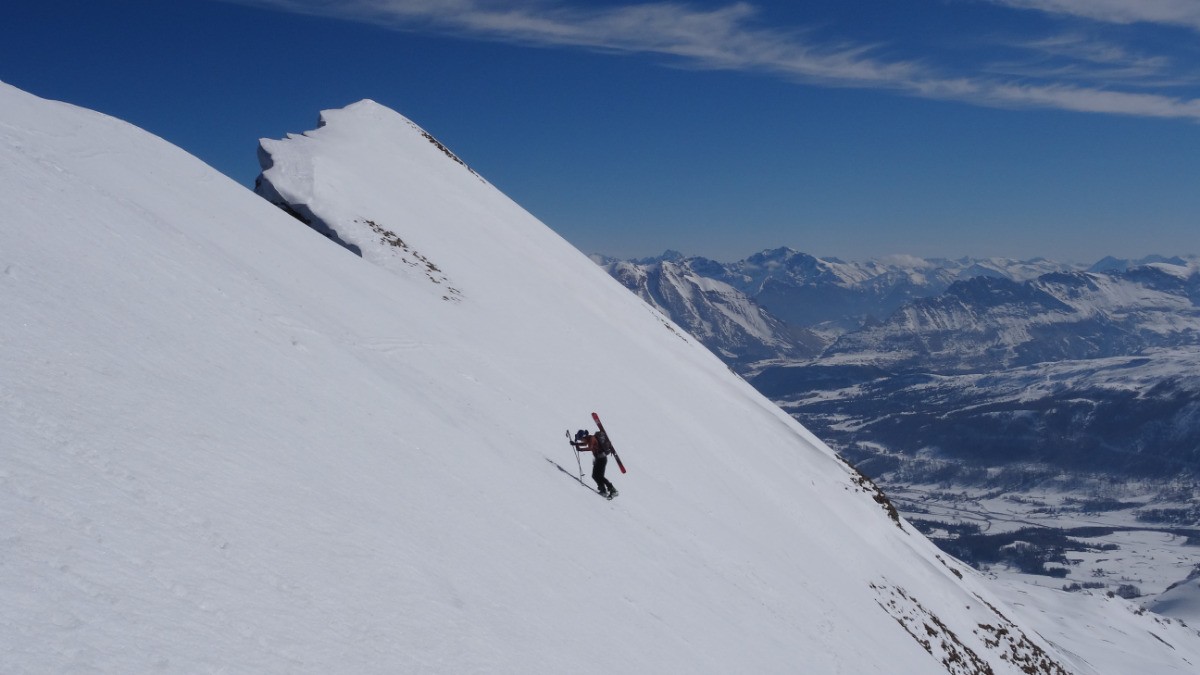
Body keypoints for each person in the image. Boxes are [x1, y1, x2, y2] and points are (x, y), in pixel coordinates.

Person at [573, 429, 618, 498]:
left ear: (583, 436)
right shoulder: (588, 438)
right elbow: (585, 444)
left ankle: (613, 490)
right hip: (598, 459)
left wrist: (580, 448)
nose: (581, 440)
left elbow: (590, 448)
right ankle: (603, 490)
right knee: (595, 476)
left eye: (581, 439)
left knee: (600, 476)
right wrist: (575, 444)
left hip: (602, 459)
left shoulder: (592, 438)